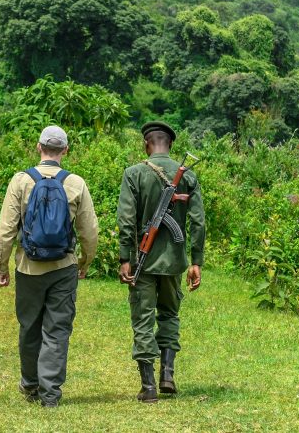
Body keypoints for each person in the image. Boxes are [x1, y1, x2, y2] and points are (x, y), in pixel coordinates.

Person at [0, 125, 98, 408]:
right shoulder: (76, 183)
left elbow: (5, 231)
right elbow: (89, 232)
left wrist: (2, 266)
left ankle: (30, 385)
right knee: (57, 329)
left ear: (39, 148)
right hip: (64, 266)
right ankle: (50, 393)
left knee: (29, 327)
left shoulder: (21, 181)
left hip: (28, 267)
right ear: (65, 151)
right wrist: (85, 262)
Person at [116, 121, 205, 403]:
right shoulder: (188, 177)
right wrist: (196, 261)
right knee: (169, 315)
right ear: (170, 145)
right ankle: (167, 373)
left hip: (143, 262)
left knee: (142, 320)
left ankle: (149, 386)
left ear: (146, 144)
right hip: (174, 262)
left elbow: (126, 220)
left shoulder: (134, 173)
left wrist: (124, 258)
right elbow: (198, 222)